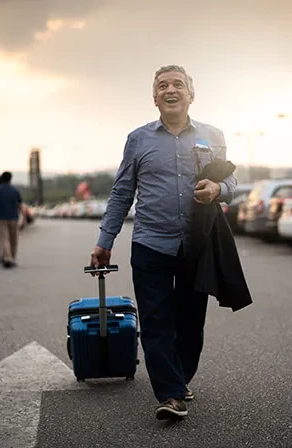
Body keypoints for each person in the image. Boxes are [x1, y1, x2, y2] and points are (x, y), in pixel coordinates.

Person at [89, 65, 239, 420]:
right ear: (154, 97)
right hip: (151, 243)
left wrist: (218, 189)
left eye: (177, 85)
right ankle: (171, 395)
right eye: (162, 86)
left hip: (196, 243)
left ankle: (180, 378)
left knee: (190, 323)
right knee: (156, 322)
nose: (170, 90)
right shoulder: (138, 139)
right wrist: (105, 240)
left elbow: (231, 181)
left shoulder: (212, 135)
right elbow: (122, 191)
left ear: (190, 93)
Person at [0, 171, 25, 268]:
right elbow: (21, 206)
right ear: (10, 179)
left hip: (0, 218)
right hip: (14, 218)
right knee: (13, 240)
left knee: (4, 239)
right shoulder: (15, 190)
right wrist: (24, 218)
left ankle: (6, 258)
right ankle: (12, 258)